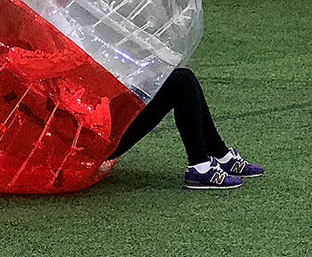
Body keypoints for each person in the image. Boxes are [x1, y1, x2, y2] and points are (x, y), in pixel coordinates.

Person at [103, 67, 263, 190]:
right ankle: (202, 165)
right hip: (99, 140)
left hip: (100, 131)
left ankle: (220, 155)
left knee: (178, 78)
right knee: (182, 81)